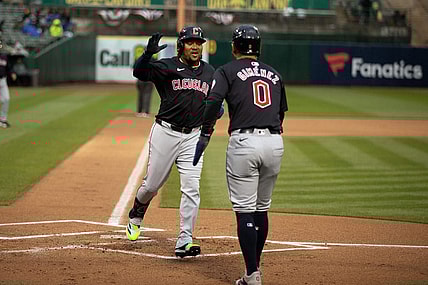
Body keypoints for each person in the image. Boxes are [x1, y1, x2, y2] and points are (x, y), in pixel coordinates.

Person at [193, 25, 288, 285]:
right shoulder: (275, 74)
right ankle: (253, 270)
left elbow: (213, 102)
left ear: (234, 47)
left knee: (245, 211)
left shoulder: (226, 71)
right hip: (274, 142)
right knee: (262, 208)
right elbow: (281, 114)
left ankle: (253, 274)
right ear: (258, 47)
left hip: (245, 141)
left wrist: (205, 134)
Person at [126, 26, 216, 258]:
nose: (195, 46)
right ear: (181, 46)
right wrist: (147, 55)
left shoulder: (209, 72)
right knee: (152, 186)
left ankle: (184, 239)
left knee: (191, 189)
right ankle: (137, 213)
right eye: (190, 42)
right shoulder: (167, 66)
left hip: (193, 137)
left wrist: (216, 107)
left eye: (198, 42)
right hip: (166, 132)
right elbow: (139, 73)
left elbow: (215, 100)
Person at [133, 44, 154, 118]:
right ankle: (146, 112)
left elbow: (134, 68)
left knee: (140, 95)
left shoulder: (138, 59)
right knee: (147, 95)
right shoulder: (153, 59)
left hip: (140, 79)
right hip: (149, 80)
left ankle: (139, 111)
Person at [0, 40, 16, 128]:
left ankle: (3, 120)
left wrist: (12, 73)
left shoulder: (4, 57)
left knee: (6, 99)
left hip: (3, 80)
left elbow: (8, 67)